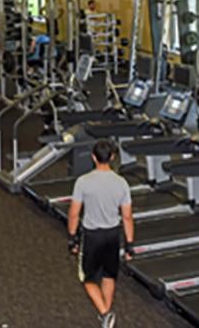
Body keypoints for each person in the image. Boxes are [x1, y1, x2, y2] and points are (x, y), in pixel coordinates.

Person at [66, 140, 134, 328]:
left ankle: (105, 313)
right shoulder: (122, 183)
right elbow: (127, 217)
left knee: (88, 280)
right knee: (109, 276)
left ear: (93, 157)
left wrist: (72, 238)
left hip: (92, 236)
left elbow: (73, 213)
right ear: (112, 157)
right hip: (112, 235)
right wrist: (129, 243)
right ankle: (106, 320)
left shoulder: (83, 181)